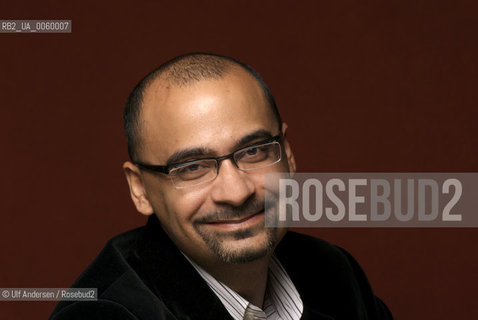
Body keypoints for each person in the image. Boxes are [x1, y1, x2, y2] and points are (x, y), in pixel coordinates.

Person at [50, 53, 393, 319]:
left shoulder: (334, 273)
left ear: (287, 152)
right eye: (192, 167)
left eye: (255, 151)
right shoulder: (105, 316)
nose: (236, 192)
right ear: (140, 189)